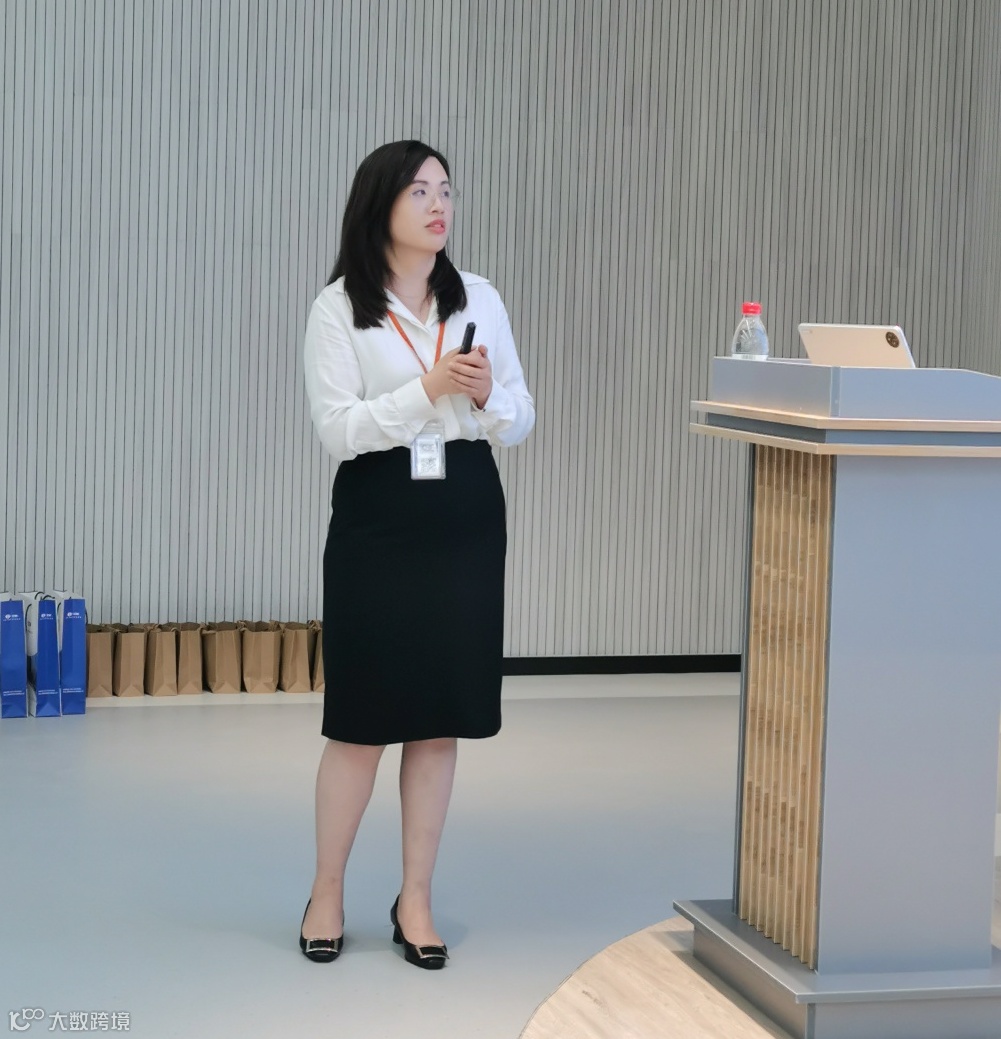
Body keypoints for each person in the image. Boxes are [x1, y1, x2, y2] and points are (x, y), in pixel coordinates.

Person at [299, 140, 535, 969]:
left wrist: (485, 394)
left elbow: (520, 415)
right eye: (419, 191)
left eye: (446, 191)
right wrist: (426, 391)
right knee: (360, 720)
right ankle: (326, 891)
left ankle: (416, 899)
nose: (439, 206)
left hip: (464, 511)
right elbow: (338, 430)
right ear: (380, 205)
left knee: (437, 720)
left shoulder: (481, 299)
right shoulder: (339, 308)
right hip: (378, 514)